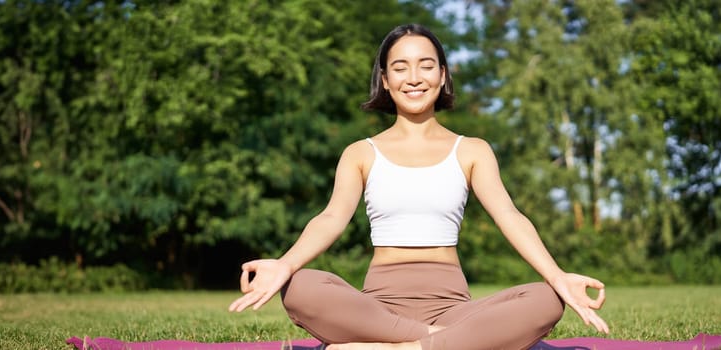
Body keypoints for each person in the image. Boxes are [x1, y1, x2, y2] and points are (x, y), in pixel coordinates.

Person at [229, 23, 609, 350]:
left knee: (545, 299)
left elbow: (509, 215)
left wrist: (558, 277)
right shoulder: (361, 153)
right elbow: (330, 217)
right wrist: (285, 264)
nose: (414, 77)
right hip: (376, 309)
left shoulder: (472, 150)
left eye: (426, 66)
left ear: (443, 75)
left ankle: (398, 347)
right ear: (385, 79)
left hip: (455, 306)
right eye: (400, 67)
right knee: (300, 287)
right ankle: (454, 343)